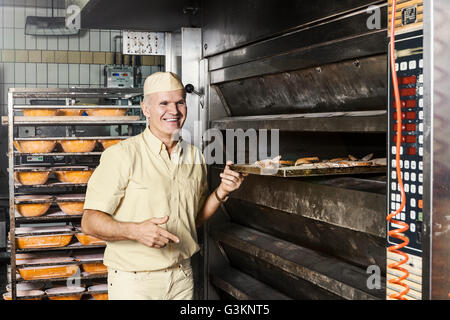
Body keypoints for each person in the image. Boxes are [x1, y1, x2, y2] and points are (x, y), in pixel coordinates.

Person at [81, 72, 247, 300]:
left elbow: (193, 219)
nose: (174, 111)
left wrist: (222, 191)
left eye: (180, 102)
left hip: (182, 277)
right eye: (164, 103)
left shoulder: (194, 156)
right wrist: (135, 231)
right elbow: (89, 221)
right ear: (146, 109)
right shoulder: (121, 156)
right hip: (134, 281)